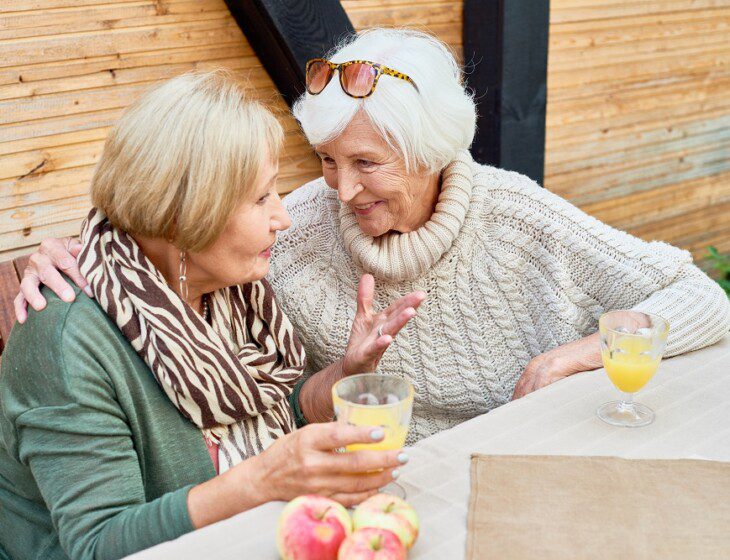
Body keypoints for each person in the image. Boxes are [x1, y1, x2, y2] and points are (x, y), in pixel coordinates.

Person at [15, 29, 730, 445]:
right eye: (327, 161)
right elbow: (176, 227)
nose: (341, 191)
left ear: (430, 152)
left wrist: (576, 355)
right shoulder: (291, 229)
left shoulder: (518, 218)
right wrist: (70, 252)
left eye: (367, 164)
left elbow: (702, 297)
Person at [0, 71, 423, 560]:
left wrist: (345, 374)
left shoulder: (231, 294)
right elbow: (98, 546)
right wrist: (264, 478)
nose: (282, 217)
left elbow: (264, 416)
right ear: (186, 214)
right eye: (261, 197)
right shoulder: (67, 342)